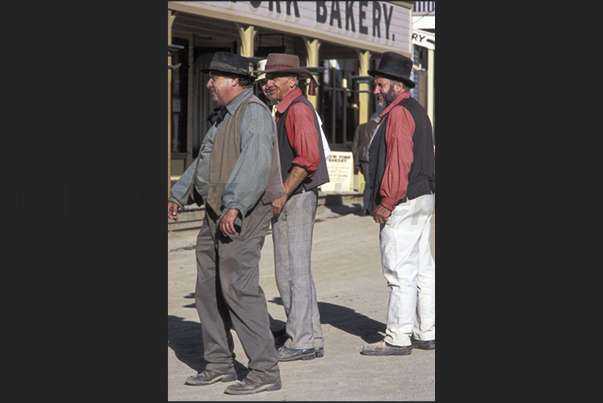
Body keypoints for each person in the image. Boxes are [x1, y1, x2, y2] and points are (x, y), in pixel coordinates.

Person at [167, 51, 282, 395]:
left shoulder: (255, 113)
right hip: (217, 212)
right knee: (208, 289)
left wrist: (235, 206)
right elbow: (205, 160)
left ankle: (265, 371)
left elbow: (256, 164)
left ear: (235, 80)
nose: (208, 84)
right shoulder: (224, 116)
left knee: (239, 289)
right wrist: (178, 194)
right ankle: (219, 364)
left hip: (242, 213)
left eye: (214, 78)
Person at [255, 53, 330, 362]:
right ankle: (309, 337)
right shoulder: (287, 108)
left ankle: (300, 340)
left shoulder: (297, 109)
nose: (267, 84)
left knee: (290, 271)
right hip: (295, 194)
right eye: (266, 79)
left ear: (292, 81)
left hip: (296, 195)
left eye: (274, 79)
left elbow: (308, 158)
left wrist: (281, 194)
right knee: (296, 270)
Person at [360, 52, 436, 356]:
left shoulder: (400, 113)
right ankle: (425, 331)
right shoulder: (418, 111)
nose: (376, 90)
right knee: (422, 268)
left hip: (403, 200)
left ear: (396, 85)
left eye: (380, 85)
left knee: (399, 271)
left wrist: (387, 201)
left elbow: (398, 159)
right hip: (423, 196)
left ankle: (398, 337)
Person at [352, 112, 381, 214]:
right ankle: (372, 207)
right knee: (375, 183)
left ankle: (366, 208)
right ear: (378, 119)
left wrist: (356, 163)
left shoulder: (360, 127)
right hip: (376, 159)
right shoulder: (379, 127)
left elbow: (355, 146)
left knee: (368, 184)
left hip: (363, 159)